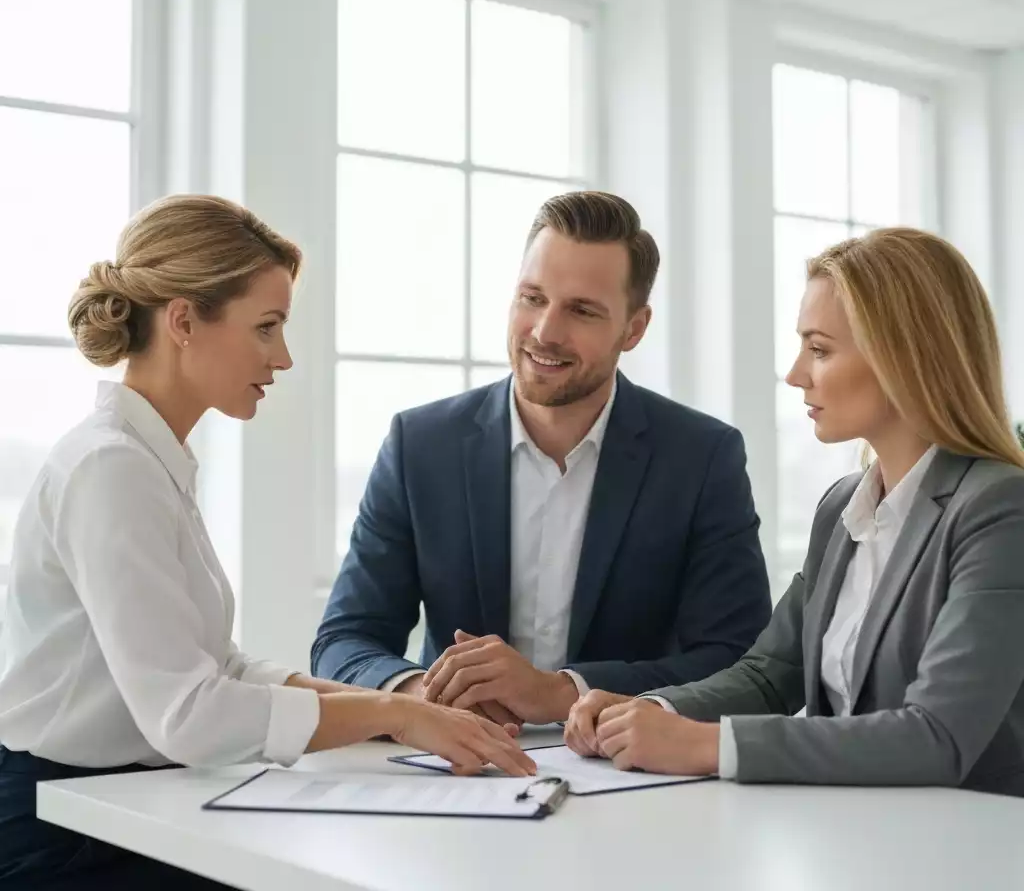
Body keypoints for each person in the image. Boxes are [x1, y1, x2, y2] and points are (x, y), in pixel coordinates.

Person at [0, 195, 534, 889]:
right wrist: (391, 711)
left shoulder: (146, 459)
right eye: (267, 327)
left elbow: (215, 665)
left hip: (122, 802)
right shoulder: (113, 470)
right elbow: (187, 716)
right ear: (184, 320)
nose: (282, 357)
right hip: (65, 834)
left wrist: (399, 714)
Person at [565, 227, 1024, 795]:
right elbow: (768, 677)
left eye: (820, 349)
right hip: (855, 840)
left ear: (903, 357)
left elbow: (937, 737)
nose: (795, 373)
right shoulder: (842, 508)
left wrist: (703, 745)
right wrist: (648, 710)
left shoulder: (1000, 509)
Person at [312, 191, 772, 728]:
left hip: (633, 777)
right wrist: (428, 694)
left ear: (634, 328)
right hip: (454, 772)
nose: (545, 331)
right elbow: (344, 641)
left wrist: (560, 693)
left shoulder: (702, 457)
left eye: (581, 310)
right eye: (532, 297)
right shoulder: (420, 445)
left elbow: (738, 660)